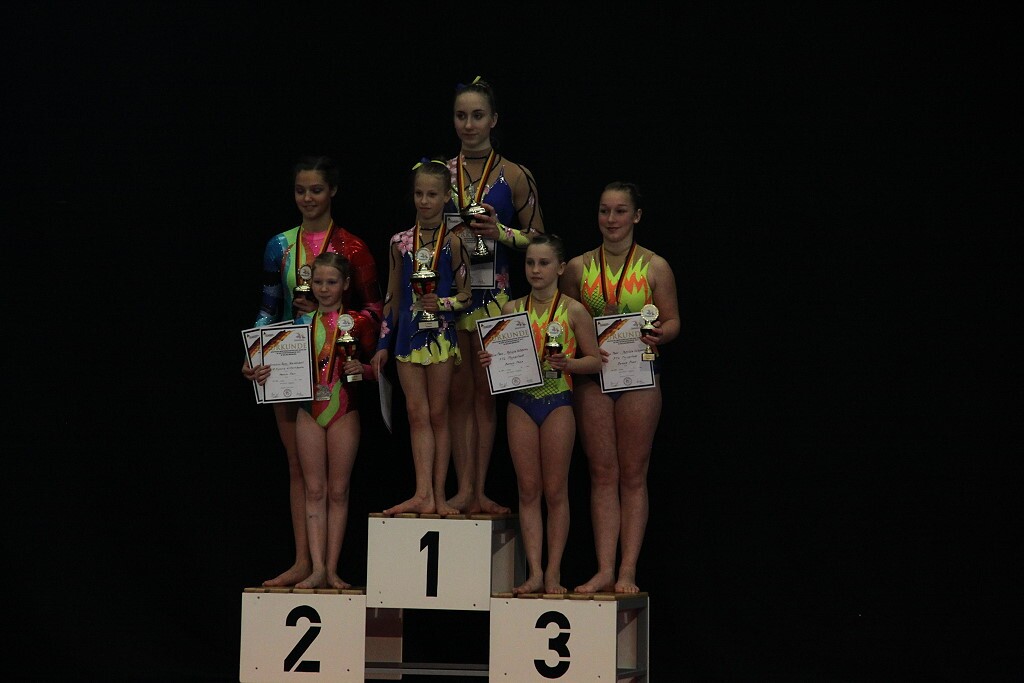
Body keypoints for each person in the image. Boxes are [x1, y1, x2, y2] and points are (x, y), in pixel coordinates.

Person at [241, 155, 382, 587]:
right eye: (300, 190)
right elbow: (268, 308)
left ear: (332, 191)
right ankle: (304, 560)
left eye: (316, 190)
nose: (307, 198)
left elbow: (375, 308)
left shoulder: (353, 248)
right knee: (298, 467)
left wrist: (353, 332)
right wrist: (255, 353)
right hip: (288, 366)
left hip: (334, 367)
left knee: (328, 478)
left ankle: (323, 566)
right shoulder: (279, 245)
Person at [560, 182, 680, 594]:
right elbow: (564, 319)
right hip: (594, 377)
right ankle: (604, 569)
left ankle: (628, 570)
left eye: (620, 211)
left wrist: (660, 333)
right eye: (604, 211)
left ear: (637, 216)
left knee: (632, 474)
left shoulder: (655, 266)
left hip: (639, 374)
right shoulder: (578, 267)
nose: (611, 220)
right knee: (601, 472)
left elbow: (673, 320)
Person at [478, 234, 601, 594]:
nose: (535, 269)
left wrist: (569, 364)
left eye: (544, 263)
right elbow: (501, 359)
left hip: (558, 402)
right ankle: (534, 572)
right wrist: (490, 359)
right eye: (530, 262)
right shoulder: (511, 309)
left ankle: (553, 573)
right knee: (528, 489)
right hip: (521, 403)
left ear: (560, 268)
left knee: (555, 491)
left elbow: (595, 360)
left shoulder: (574, 311)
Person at [445, 76, 545, 514]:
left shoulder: (515, 174)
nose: (469, 125)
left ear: (494, 119)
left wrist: (500, 232)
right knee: (457, 396)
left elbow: (540, 240)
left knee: (486, 395)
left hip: (494, 296)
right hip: (450, 297)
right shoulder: (440, 173)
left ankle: (479, 490)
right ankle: (461, 488)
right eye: (461, 116)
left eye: (477, 115)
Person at [252, 253, 377, 588]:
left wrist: (363, 370)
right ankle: (316, 567)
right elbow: (266, 363)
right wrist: (258, 371)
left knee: (338, 491)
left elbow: (379, 369)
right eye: (318, 282)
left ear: (346, 284)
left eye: (331, 282)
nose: (323, 289)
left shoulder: (357, 323)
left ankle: (331, 569)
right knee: (315, 489)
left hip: (343, 411)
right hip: (309, 413)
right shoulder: (297, 326)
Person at [371, 158, 472, 516]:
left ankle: (439, 496)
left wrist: (442, 303)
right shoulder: (399, 242)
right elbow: (391, 298)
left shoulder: (455, 241)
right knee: (416, 414)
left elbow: (466, 295)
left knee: (438, 413)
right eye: (419, 194)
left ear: (446, 197)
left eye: (432, 194)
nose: (424, 201)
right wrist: (382, 345)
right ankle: (421, 492)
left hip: (441, 335)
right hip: (408, 337)